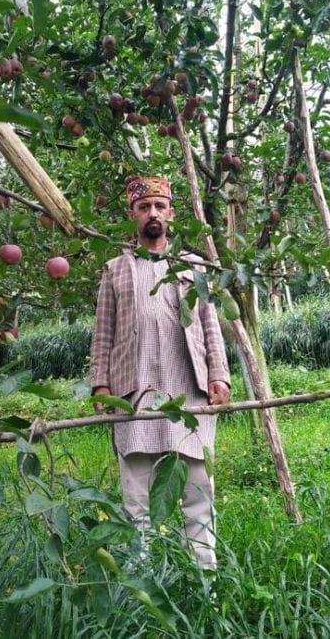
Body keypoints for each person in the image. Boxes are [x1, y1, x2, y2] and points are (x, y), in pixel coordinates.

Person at [88, 174, 231, 570]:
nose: (153, 213)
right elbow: (102, 333)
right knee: (136, 500)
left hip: (190, 395)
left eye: (160, 206)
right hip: (134, 397)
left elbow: (210, 326)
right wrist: (101, 383)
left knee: (198, 494)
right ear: (132, 214)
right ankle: (140, 586)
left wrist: (218, 374)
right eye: (144, 207)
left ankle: (205, 581)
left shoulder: (192, 267)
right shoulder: (115, 269)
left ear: (171, 214)